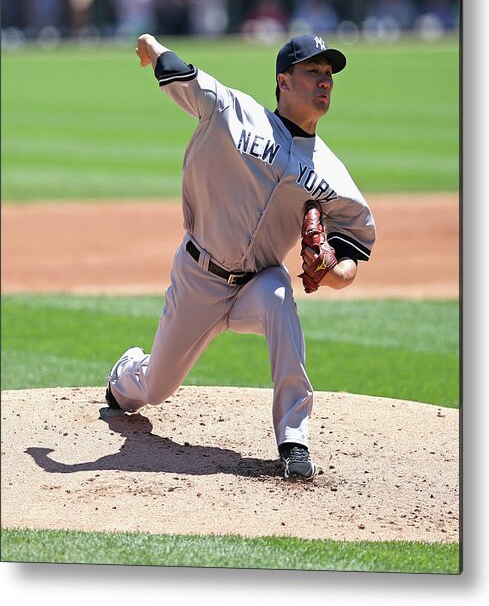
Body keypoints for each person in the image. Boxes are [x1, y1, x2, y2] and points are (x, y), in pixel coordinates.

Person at [106, 33, 376, 481]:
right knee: (156, 387)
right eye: (313, 72)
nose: (324, 82)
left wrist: (331, 273)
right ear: (283, 82)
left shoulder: (333, 173)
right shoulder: (234, 112)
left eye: (329, 75)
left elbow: (351, 257)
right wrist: (150, 46)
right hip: (200, 276)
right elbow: (182, 73)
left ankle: (294, 440)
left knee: (278, 293)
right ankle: (125, 374)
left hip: (257, 283)